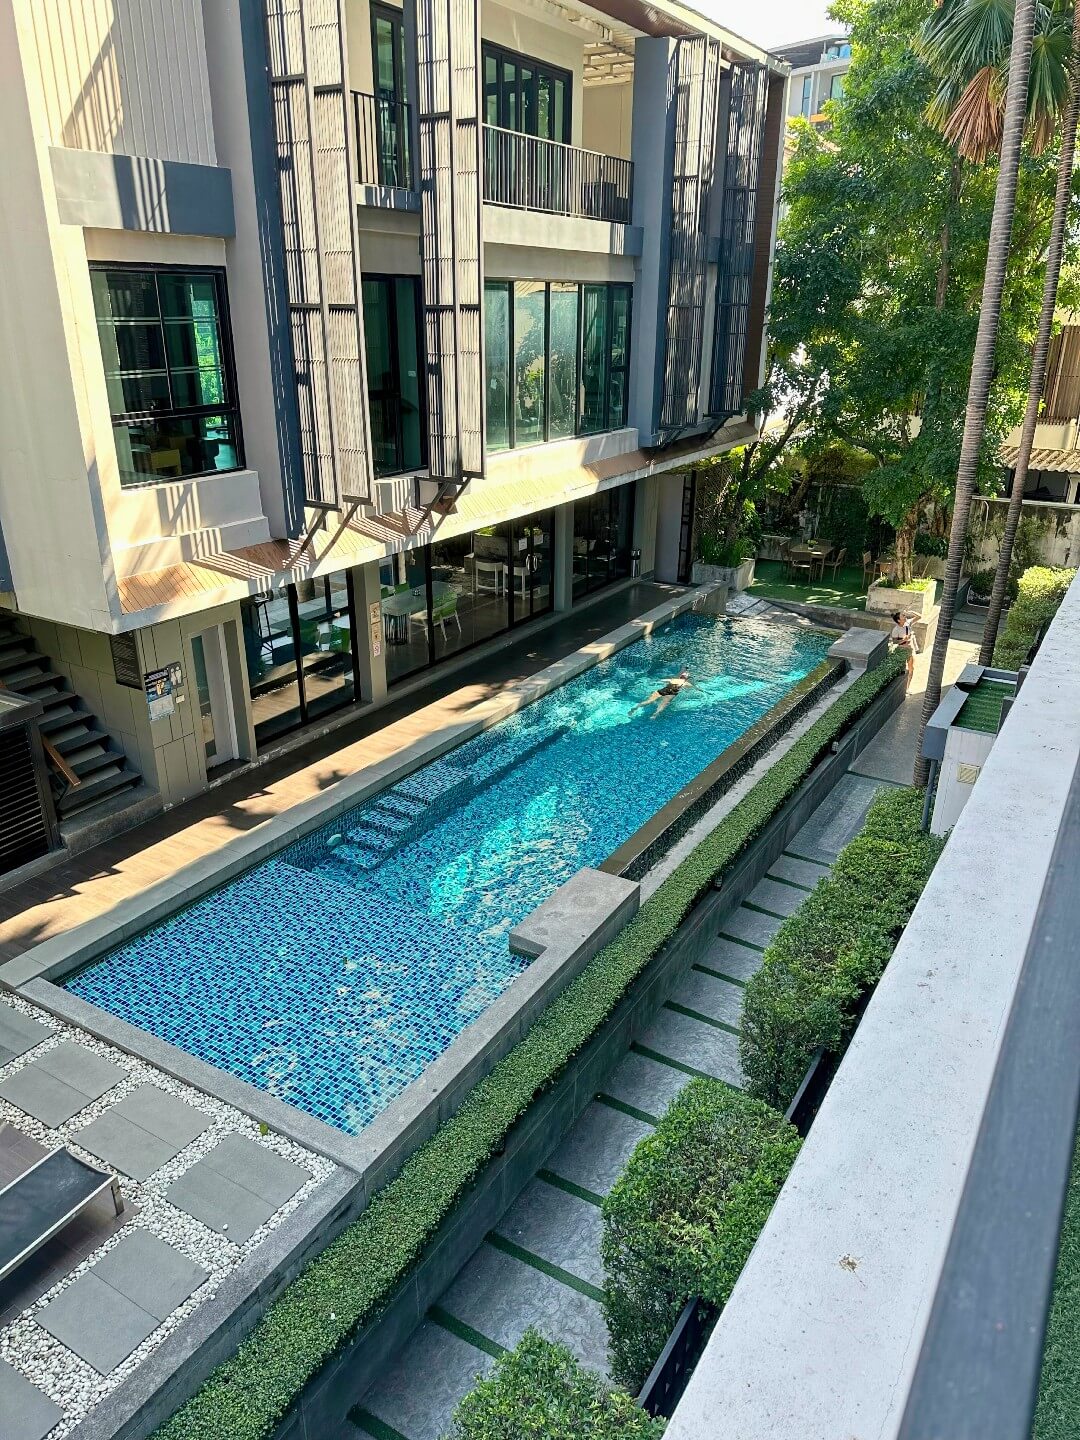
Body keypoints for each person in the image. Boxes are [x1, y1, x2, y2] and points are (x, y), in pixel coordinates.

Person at [629, 668, 694, 718]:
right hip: (670, 694)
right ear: (687, 678)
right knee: (661, 706)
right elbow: (693, 689)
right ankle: (654, 715)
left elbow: (661, 680)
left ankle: (635, 708)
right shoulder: (686, 683)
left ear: (680, 676)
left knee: (649, 701)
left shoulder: (672, 679)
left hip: (662, 690)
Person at [890, 610, 919, 679]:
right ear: (899, 620)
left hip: (910, 649)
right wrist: (904, 640)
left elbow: (919, 617)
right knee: (901, 670)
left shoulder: (908, 623)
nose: (905, 616)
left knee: (911, 668)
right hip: (902, 649)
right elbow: (895, 642)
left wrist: (910, 612)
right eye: (903, 616)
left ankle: (909, 682)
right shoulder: (896, 630)